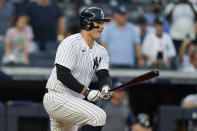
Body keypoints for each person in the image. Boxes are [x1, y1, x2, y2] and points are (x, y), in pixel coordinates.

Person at [43, 7, 113, 131]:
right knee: (98, 116)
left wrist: (105, 87)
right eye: (98, 22)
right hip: (58, 97)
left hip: (74, 101)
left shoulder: (101, 51)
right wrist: (86, 92)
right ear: (87, 23)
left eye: (102, 23)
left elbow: (104, 75)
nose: (102, 27)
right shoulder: (71, 42)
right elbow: (62, 74)